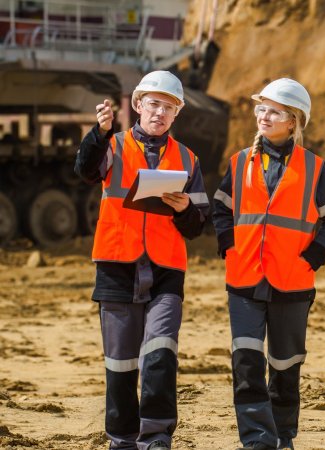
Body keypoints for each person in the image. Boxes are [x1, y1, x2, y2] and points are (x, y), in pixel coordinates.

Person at [74, 70, 210, 450]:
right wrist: (98, 132)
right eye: (154, 104)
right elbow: (84, 170)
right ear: (137, 105)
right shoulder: (112, 146)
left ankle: (156, 437)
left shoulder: (187, 159)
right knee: (120, 365)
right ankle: (122, 440)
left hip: (166, 271)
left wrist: (184, 209)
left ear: (177, 114)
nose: (160, 113)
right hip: (117, 265)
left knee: (160, 354)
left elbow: (198, 224)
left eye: (169, 107)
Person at [212, 78, 325, 450]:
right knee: (247, 362)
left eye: (273, 111)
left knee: (286, 365)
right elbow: (221, 207)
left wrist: (313, 257)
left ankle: (283, 435)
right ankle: (258, 440)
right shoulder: (240, 162)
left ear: (293, 121)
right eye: (261, 109)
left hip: (292, 280)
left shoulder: (314, 168)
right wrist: (229, 245)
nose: (263, 116)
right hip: (244, 279)